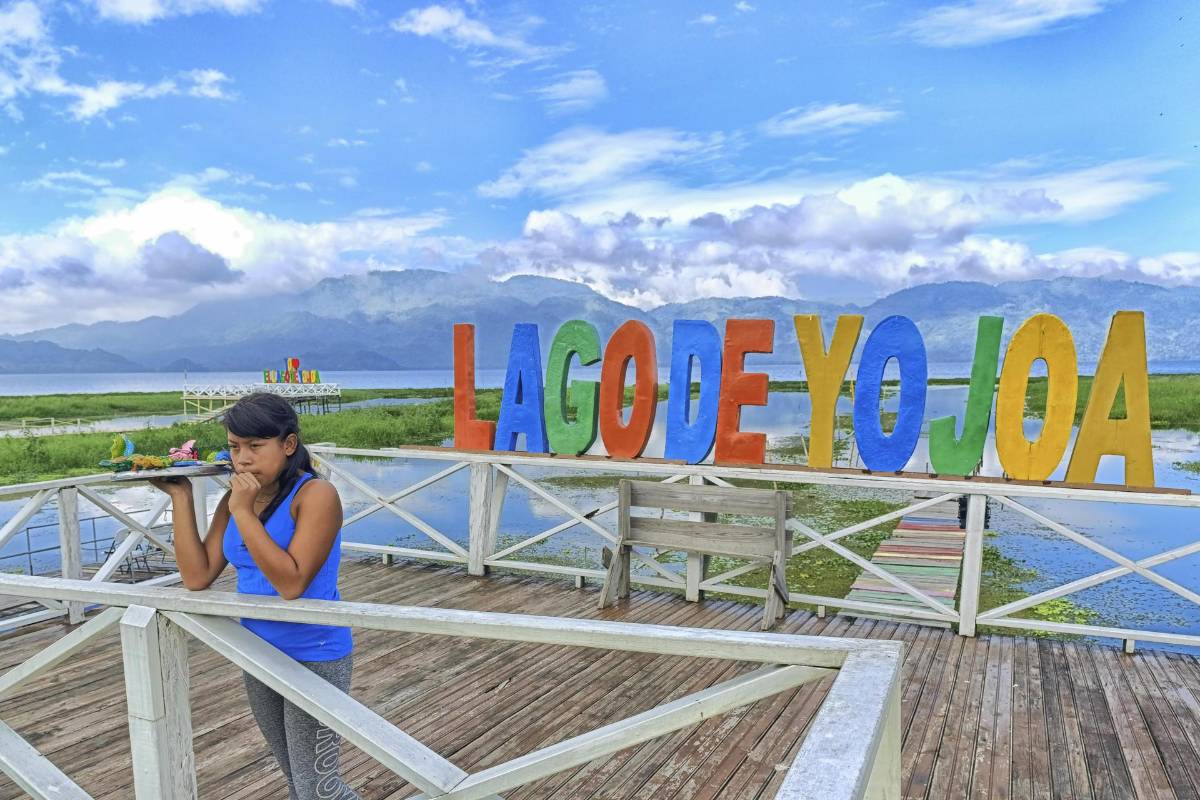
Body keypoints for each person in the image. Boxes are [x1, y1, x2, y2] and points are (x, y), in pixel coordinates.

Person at [149, 391, 361, 800]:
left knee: (319, 787)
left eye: (255, 446)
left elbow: (292, 583)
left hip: (313, 653)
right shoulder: (235, 499)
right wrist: (181, 497)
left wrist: (245, 513)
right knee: (297, 781)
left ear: (288, 444)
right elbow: (196, 576)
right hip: (256, 650)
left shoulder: (315, 496)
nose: (242, 459)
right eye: (234, 447)